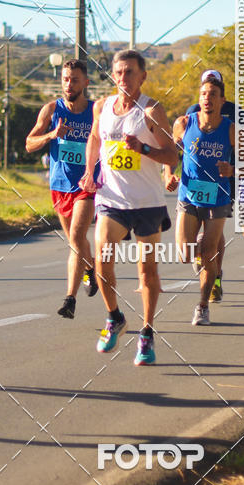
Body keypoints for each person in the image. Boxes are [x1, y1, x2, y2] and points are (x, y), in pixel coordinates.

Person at [79, 49, 177, 365]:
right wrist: (89, 170)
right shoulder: (102, 107)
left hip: (147, 203)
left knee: (146, 271)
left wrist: (144, 147)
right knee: (102, 258)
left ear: (142, 76)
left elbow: (172, 156)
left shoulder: (152, 111)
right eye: (118, 72)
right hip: (112, 200)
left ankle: (147, 333)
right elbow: (94, 138)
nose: (123, 78)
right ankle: (115, 317)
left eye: (130, 72)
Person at [26, 60, 99, 319]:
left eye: (75, 79)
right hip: (59, 186)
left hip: (87, 186)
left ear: (86, 83)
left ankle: (70, 299)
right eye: (66, 79)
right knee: (75, 241)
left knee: (77, 239)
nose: (69, 84)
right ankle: (91, 269)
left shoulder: (95, 112)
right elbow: (29, 144)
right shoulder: (51, 110)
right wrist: (51, 135)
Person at [165, 68, 235, 304]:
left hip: (222, 184)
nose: (208, 96)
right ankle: (209, 262)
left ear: (222, 96)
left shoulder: (234, 116)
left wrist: (233, 170)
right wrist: (168, 174)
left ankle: (212, 279)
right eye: (204, 91)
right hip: (192, 188)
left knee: (212, 244)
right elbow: (171, 151)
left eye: (213, 92)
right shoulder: (187, 119)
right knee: (187, 252)